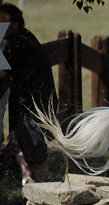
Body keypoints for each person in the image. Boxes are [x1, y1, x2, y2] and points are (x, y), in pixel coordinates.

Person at [0, 2, 57, 184]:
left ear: (15, 23)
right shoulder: (25, 37)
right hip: (31, 101)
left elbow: (1, 72)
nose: (1, 29)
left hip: (34, 104)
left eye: (3, 24)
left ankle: (41, 187)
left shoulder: (19, 43)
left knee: (35, 149)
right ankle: (28, 178)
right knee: (17, 142)